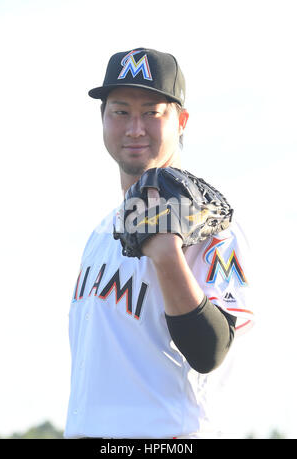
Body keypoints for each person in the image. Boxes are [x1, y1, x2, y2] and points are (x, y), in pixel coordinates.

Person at [64, 48, 254, 439]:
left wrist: (167, 256)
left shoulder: (213, 231)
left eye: (152, 112)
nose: (135, 128)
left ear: (181, 121)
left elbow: (211, 351)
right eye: (120, 111)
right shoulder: (101, 233)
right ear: (103, 119)